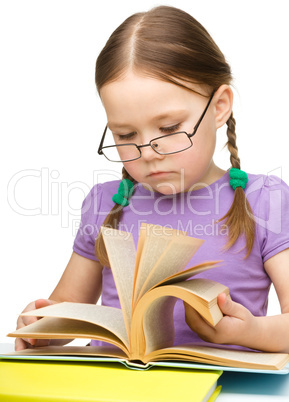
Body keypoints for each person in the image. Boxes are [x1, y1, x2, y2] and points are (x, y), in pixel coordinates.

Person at [15, 5, 289, 353]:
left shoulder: (264, 199)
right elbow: (67, 306)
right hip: (113, 385)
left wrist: (247, 332)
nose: (147, 152)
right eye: (125, 134)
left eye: (170, 128)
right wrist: (41, 324)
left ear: (219, 107)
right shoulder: (105, 203)